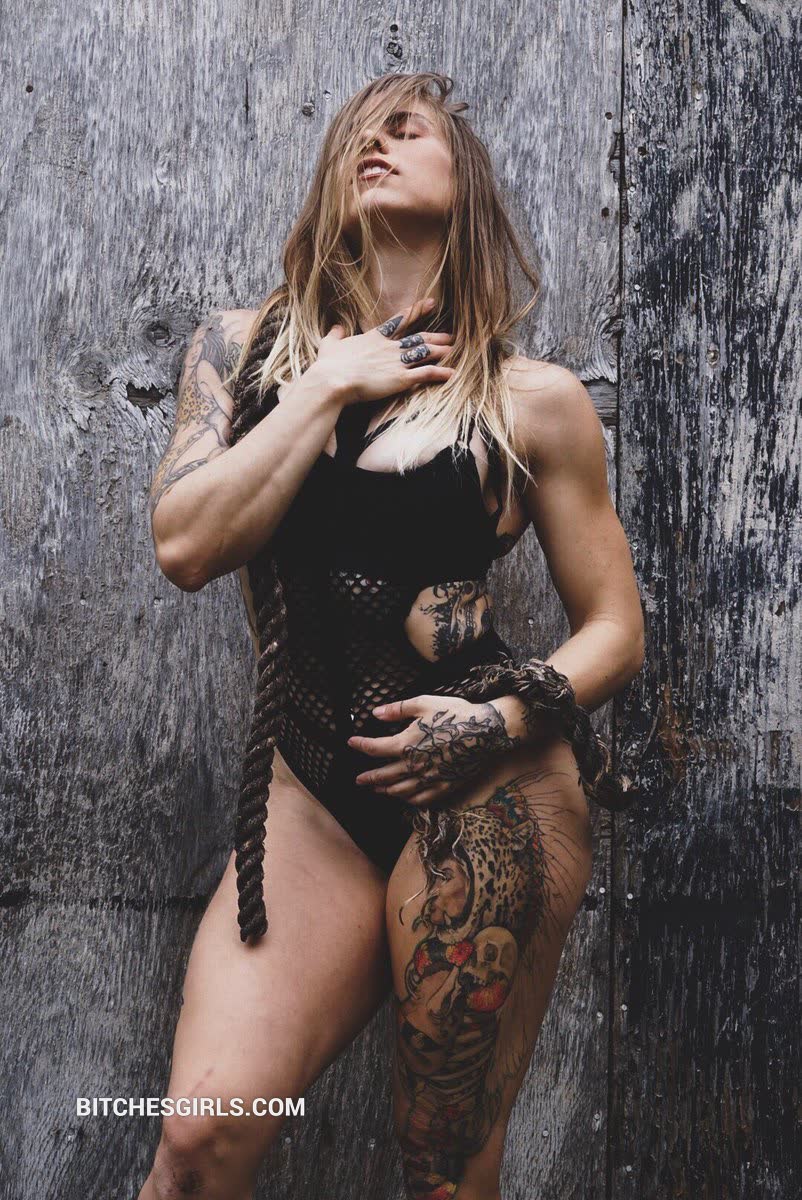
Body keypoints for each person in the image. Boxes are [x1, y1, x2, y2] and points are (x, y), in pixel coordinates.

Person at [141, 71, 644, 1200]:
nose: (378, 140)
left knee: (442, 1171)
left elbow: (614, 630)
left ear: (465, 183)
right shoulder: (243, 353)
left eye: (408, 129)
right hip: (309, 799)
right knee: (199, 1141)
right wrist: (326, 385)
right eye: (361, 133)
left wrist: (492, 722)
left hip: (485, 789)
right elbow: (185, 544)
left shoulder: (532, 400)